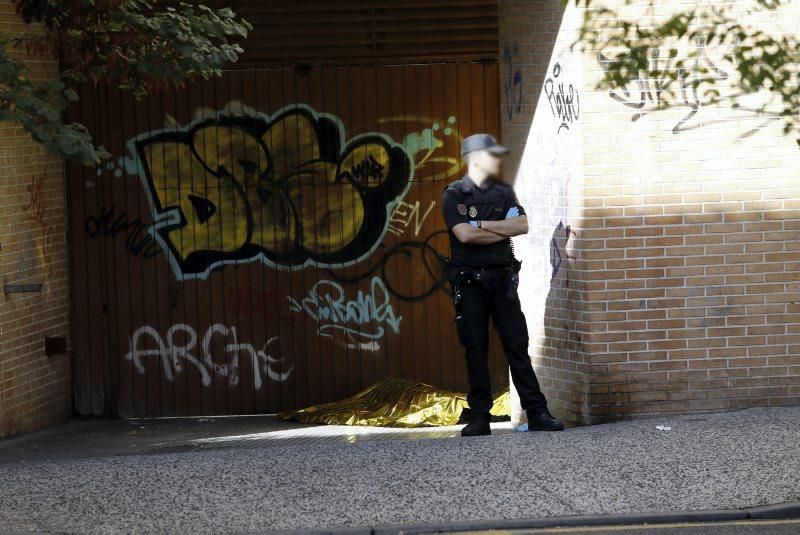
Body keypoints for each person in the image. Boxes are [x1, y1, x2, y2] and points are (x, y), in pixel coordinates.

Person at [441, 133, 565, 436]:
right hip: (470, 283)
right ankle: (480, 418)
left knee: (517, 346)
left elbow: (522, 226)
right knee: (476, 348)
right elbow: (464, 237)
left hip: (502, 281)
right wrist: (500, 229)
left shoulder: (504, 192)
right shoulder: (454, 194)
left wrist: (481, 224)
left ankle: (537, 413)